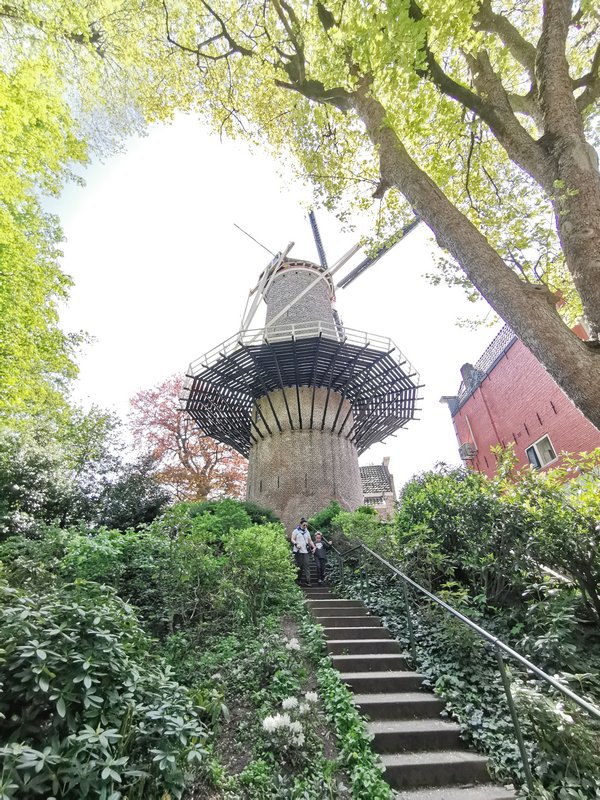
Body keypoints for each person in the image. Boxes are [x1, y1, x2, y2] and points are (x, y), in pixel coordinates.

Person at [291, 518, 315, 585]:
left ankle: (308, 581)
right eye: (304, 525)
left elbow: (310, 541)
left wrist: (314, 546)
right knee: (299, 566)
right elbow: (292, 539)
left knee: (307, 565)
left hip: (305, 552)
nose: (305, 527)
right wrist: (296, 544)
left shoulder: (307, 532)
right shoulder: (296, 531)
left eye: (306, 525)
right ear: (301, 524)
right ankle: (298, 579)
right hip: (298, 551)